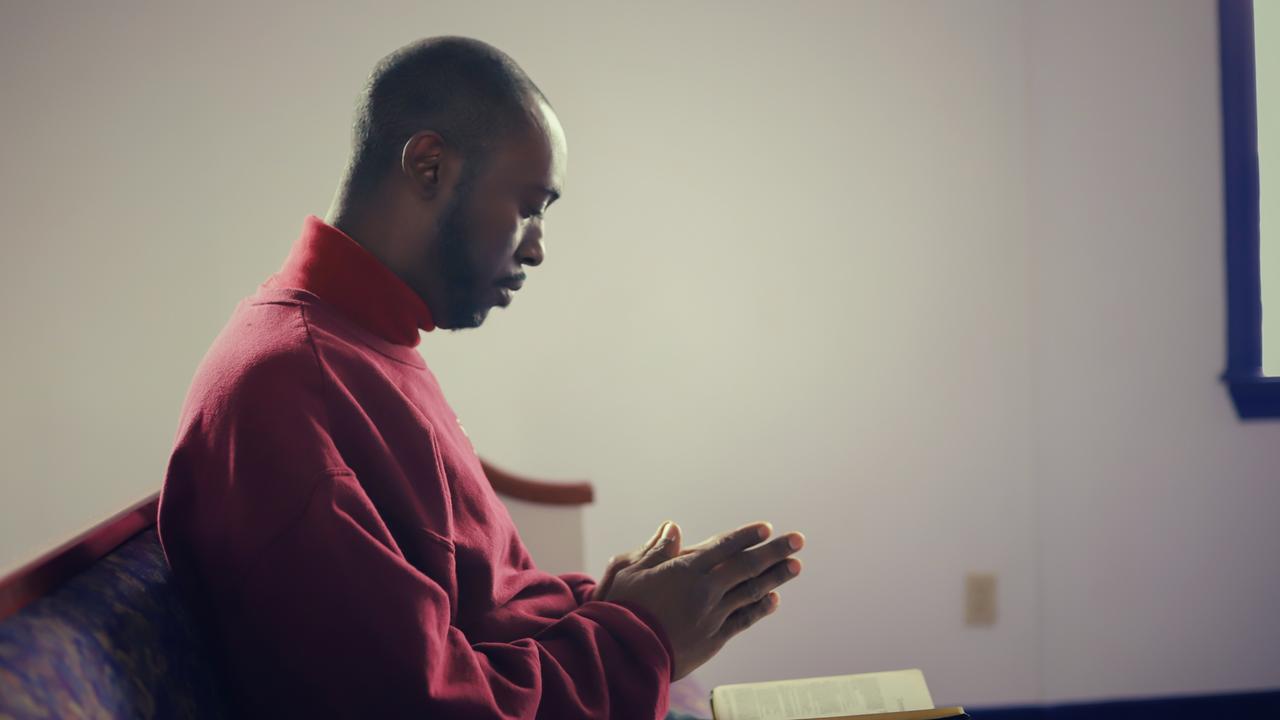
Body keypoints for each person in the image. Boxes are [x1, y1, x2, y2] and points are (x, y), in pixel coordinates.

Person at [158, 36, 804, 719]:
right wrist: (636, 638)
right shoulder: (290, 387)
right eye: (529, 206)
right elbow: (417, 704)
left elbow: (481, 604)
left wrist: (610, 604)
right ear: (429, 165)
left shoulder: (363, 342)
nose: (538, 247)